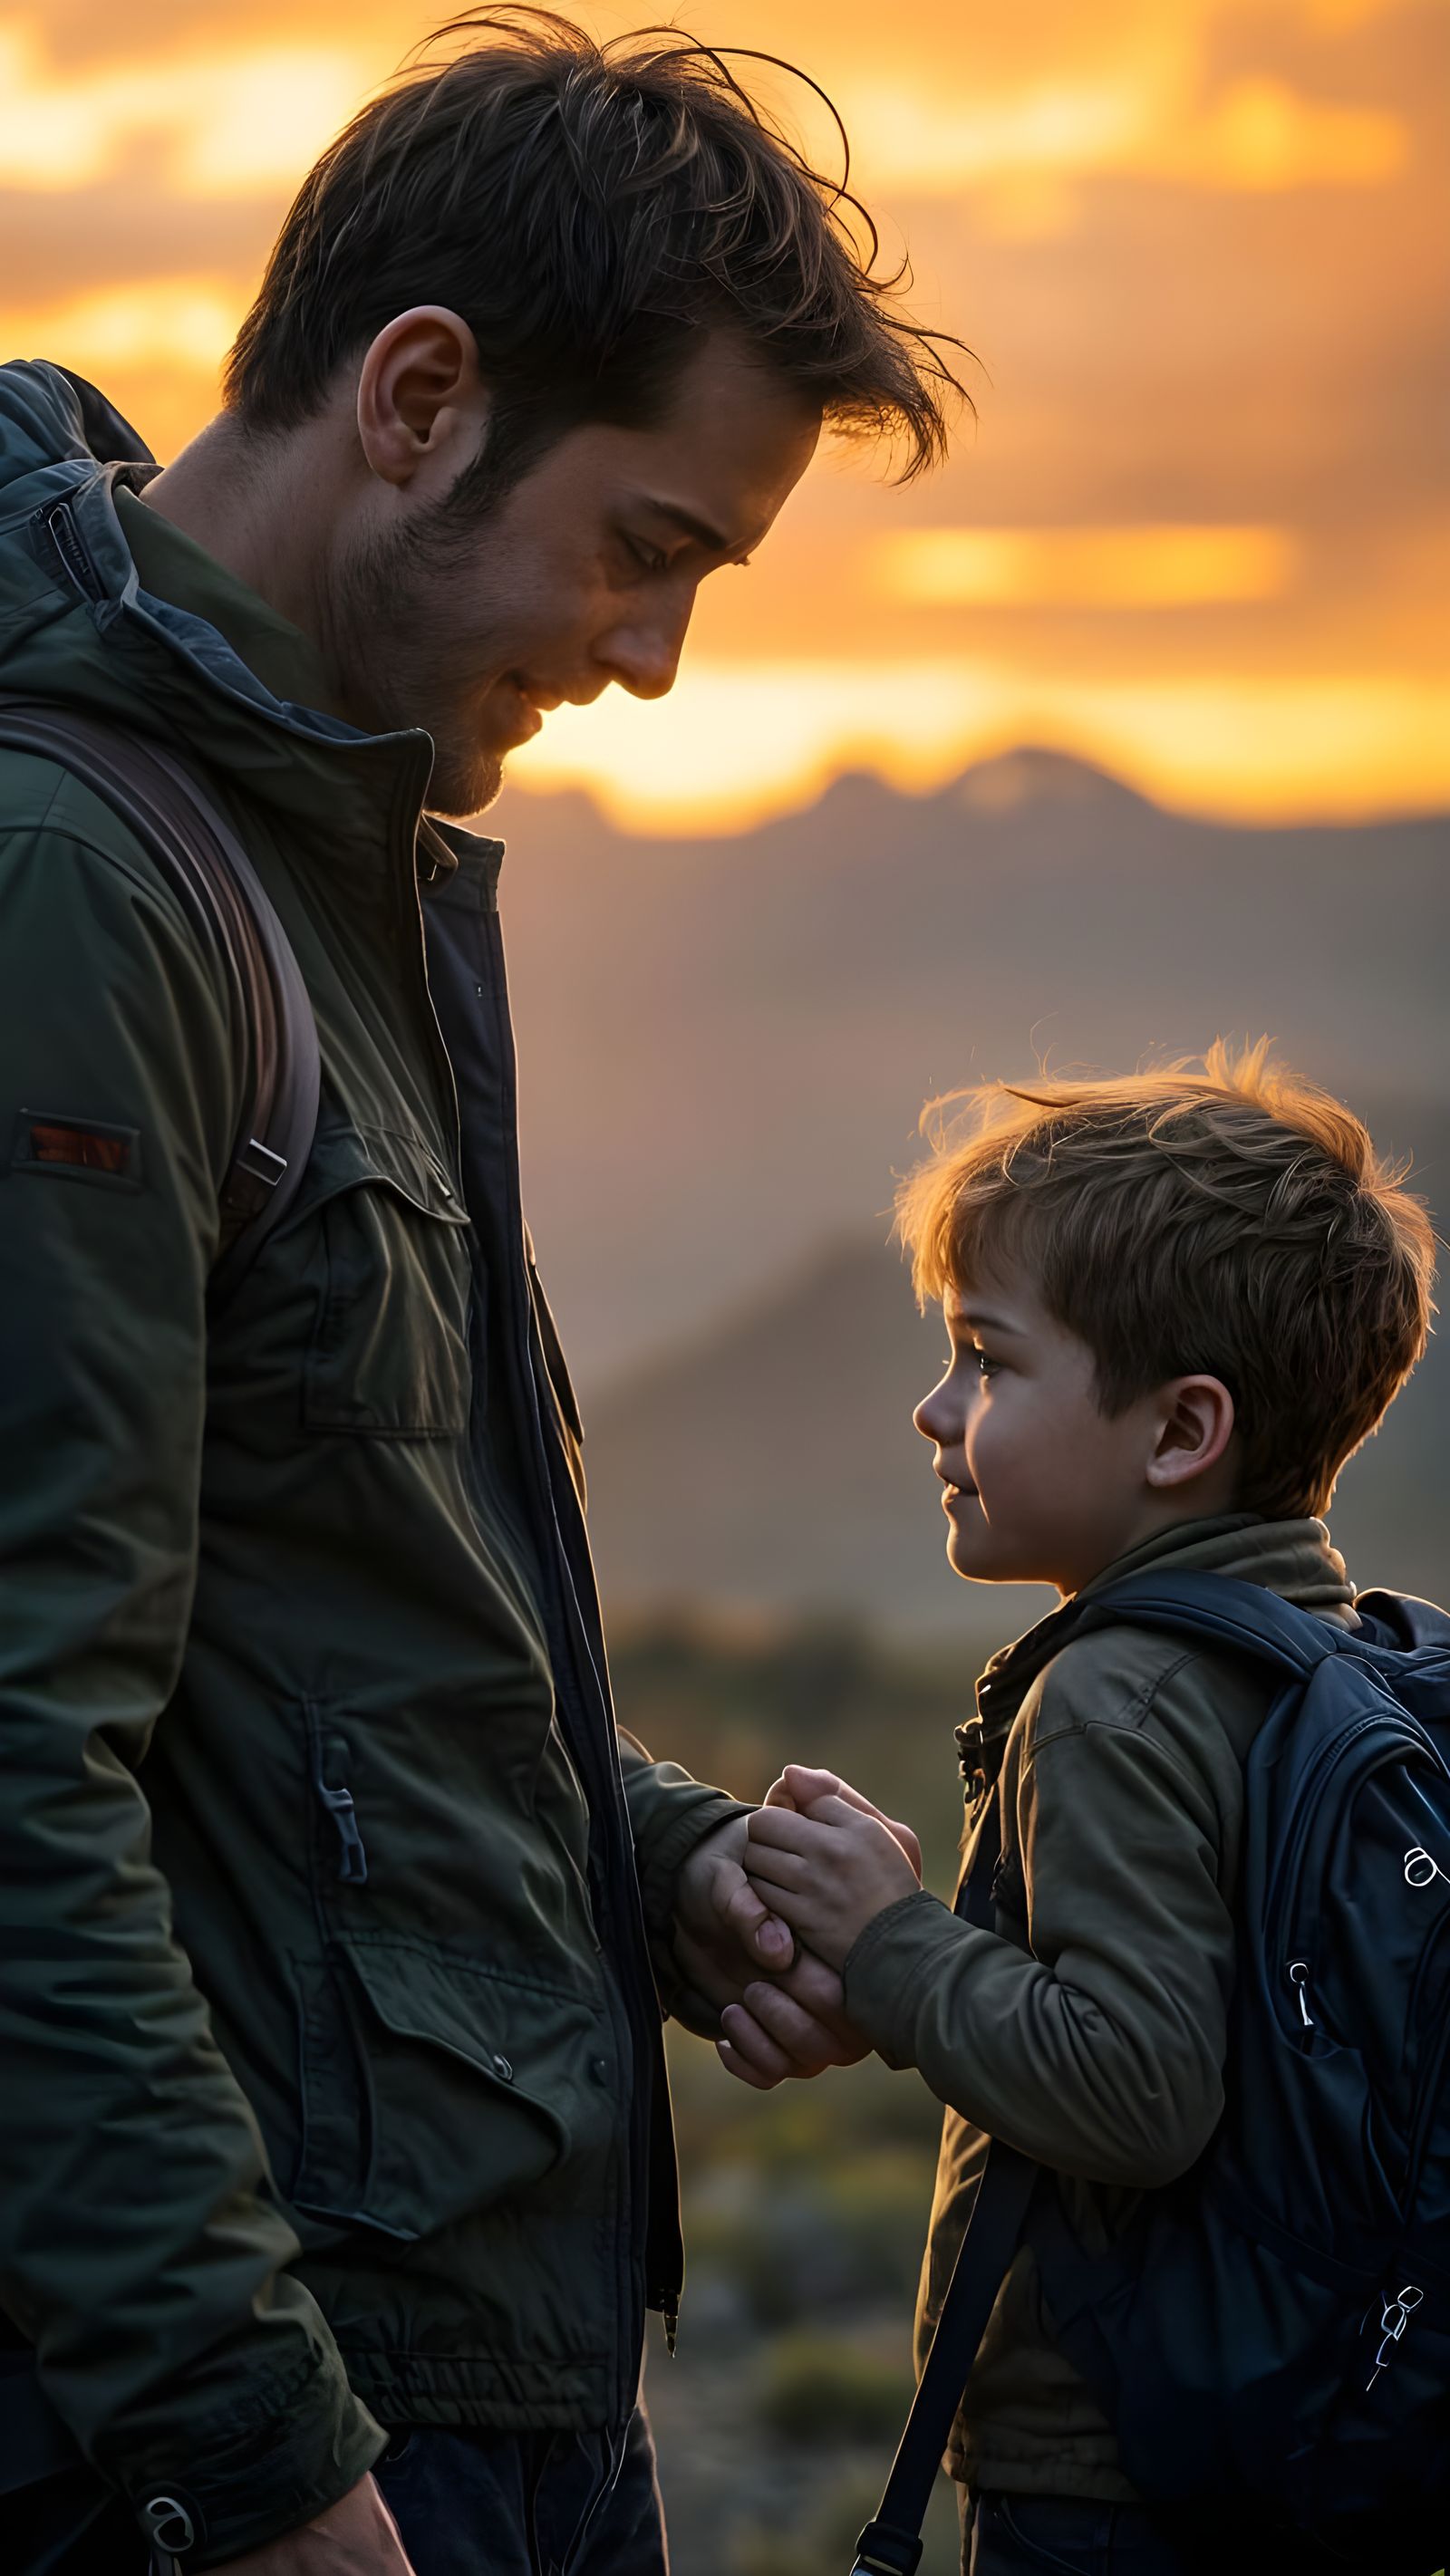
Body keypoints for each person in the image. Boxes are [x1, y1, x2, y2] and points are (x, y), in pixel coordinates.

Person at [0, 15, 967, 2573]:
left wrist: (649, 1865)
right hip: (277, 2439)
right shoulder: (82, 891)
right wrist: (268, 2454)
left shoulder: (348, 857)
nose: (655, 659)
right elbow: (16, 1758)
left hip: (481, 2382)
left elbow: (322, 1632)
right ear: (418, 397)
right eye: (650, 544)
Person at [740, 1044, 1436, 2576]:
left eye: (988, 1360)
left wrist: (890, 1947)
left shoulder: (1117, 1693)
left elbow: (1136, 2089)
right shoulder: (1342, 1667)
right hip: (1288, 2431)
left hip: (1110, 2471)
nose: (937, 1410)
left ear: (1183, 1433)